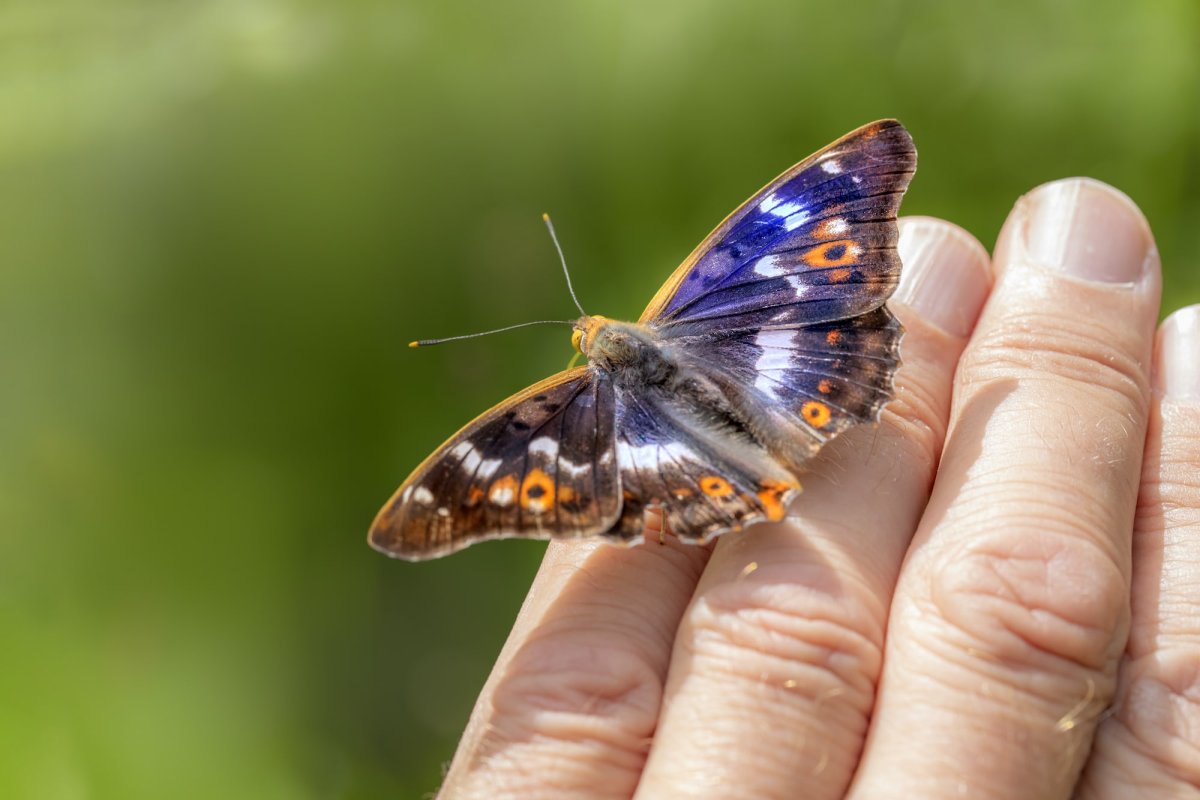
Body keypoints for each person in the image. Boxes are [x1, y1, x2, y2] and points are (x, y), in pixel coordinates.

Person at [437, 178, 1199, 798]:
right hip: (774, 371)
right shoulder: (690, 299)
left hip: (677, 448)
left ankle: (742, 479)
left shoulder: (558, 409)